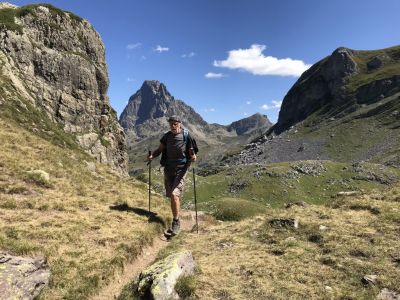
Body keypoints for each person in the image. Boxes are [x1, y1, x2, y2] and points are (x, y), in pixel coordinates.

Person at [147, 115, 197, 235]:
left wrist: (193, 156)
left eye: (175, 123)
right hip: (168, 168)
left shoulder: (186, 135)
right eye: (171, 123)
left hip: (182, 168)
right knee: (171, 195)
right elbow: (160, 150)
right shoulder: (167, 136)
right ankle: (176, 216)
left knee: (174, 194)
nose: (173, 126)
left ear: (180, 123)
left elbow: (191, 150)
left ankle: (176, 222)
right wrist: (152, 156)